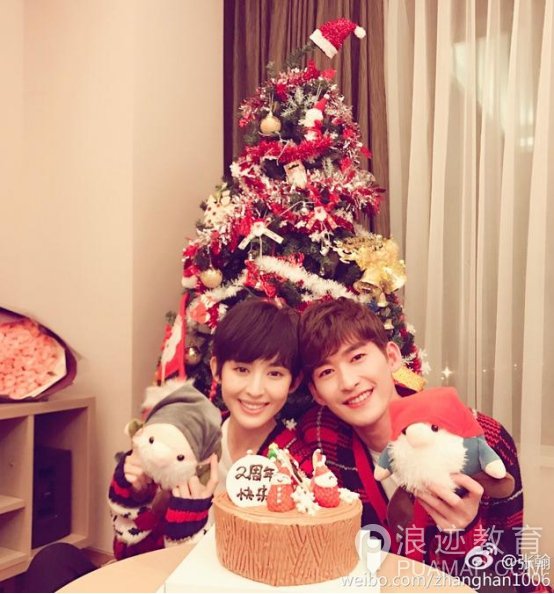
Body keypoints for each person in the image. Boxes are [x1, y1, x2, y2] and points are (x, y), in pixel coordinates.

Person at [297, 297, 545, 592]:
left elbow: (508, 578)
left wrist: (467, 533)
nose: (348, 381)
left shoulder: (483, 441)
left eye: (357, 357)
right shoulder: (321, 438)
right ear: (317, 393)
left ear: (391, 357)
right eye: (326, 372)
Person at [108, 297, 311, 560]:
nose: (255, 390)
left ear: (293, 382)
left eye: (275, 374)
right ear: (217, 370)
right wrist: (139, 495)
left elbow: (292, 563)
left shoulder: (297, 467)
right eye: (241, 369)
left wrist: (190, 522)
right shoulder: (187, 442)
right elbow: (129, 555)